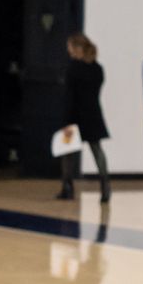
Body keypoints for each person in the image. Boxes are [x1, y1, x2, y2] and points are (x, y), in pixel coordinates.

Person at [59, 32, 111, 203]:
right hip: (93, 113)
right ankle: (105, 187)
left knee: (68, 151)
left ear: (76, 48)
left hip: (75, 114)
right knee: (97, 150)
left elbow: (69, 95)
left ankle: (67, 188)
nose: (68, 51)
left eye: (69, 47)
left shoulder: (73, 68)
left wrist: (66, 120)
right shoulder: (98, 69)